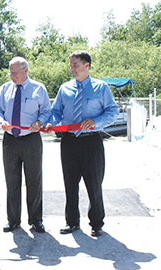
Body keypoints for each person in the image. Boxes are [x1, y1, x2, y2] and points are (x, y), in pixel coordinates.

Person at [45, 50, 118, 237]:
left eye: (75, 65)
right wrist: (51, 122)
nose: (72, 69)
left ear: (87, 65)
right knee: (70, 183)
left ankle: (96, 224)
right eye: (70, 65)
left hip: (91, 142)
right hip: (69, 142)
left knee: (94, 184)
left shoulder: (101, 88)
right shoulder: (65, 89)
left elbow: (112, 111)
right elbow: (56, 112)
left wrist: (96, 122)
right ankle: (72, 222)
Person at [0, 57, 51, 233]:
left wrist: (40, 122)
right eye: (10, 72)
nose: (12, 75)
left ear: (26, 70)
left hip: (31, 139)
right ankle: (13, 220)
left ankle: (35, 220)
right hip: (10, 140)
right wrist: (1, 121)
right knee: (12, 181)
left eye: (15, 72)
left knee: (34, 180)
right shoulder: (4, 89)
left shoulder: (38, 89)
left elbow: (47, 111)